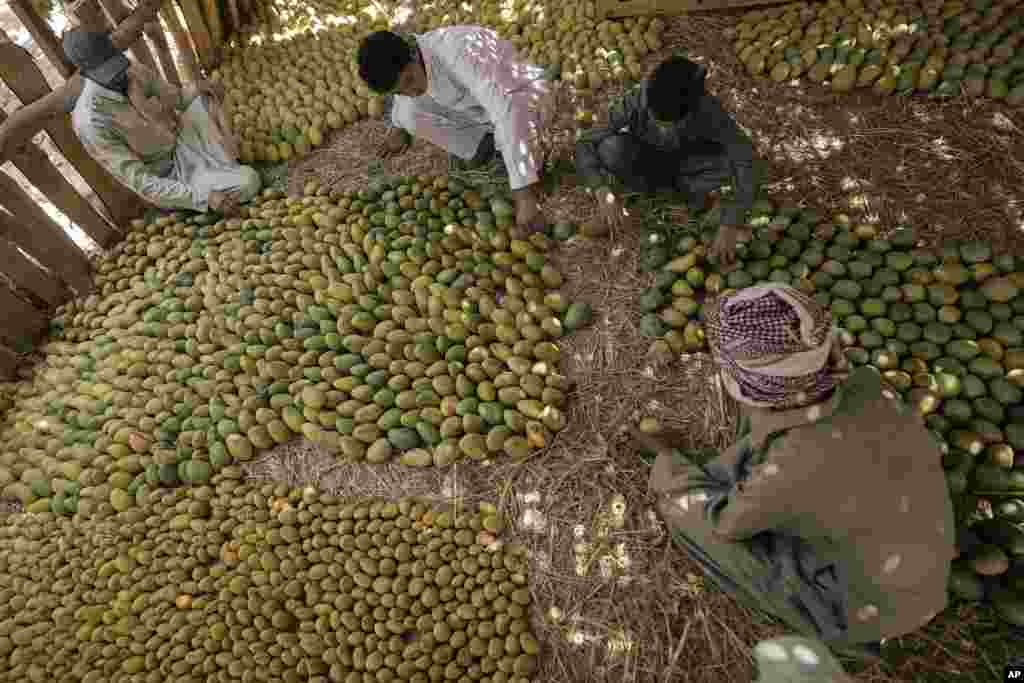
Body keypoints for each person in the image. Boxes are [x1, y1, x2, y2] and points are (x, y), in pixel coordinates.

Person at [634, 284, 956, 660]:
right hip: (924, 568)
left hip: (874, 608)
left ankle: (850, 641)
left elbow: (728, 525)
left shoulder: (786, 472)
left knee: (689, 511)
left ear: (743, 384)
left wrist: (668, 457)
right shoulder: (867, 383)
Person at [0, 0, 259, 217]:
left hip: (184, 141)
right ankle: (210, 182)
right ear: (86, 74)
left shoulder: (131, 69)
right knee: (249, 182)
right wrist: (204, 198)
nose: (118, 75)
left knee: (203, 97)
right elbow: (143, 183)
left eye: (116, 64)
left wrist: (202, 88)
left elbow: (178, 99)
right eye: (107, 73)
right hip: (171, 176)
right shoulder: (90, 122)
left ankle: (222, 162)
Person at [357, 28, 553, 234]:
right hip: (480, 110)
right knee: (407, 115)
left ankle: (514, 160)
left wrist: (523, 195)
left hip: (523, 101)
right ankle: (486, 147)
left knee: (530, 166)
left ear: (413, 54)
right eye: (400, 90)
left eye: (409, 80)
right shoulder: (410, 68)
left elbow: (506, 108)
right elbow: (405, 99)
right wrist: (399, 127)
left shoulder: (459, 50)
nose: (411, 91)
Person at [575, 55, 758, 264]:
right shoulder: (637, 98)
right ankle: (665, 193)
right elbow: (586, 140)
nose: (663, 129)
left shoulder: (707, 109)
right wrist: (600, 189)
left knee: (731, 165)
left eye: (671, 124)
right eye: (656, 120)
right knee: (610, 147)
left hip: (688, 166)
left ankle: (682, 195)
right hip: (648, 160)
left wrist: (730, 224)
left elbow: (745, 157)